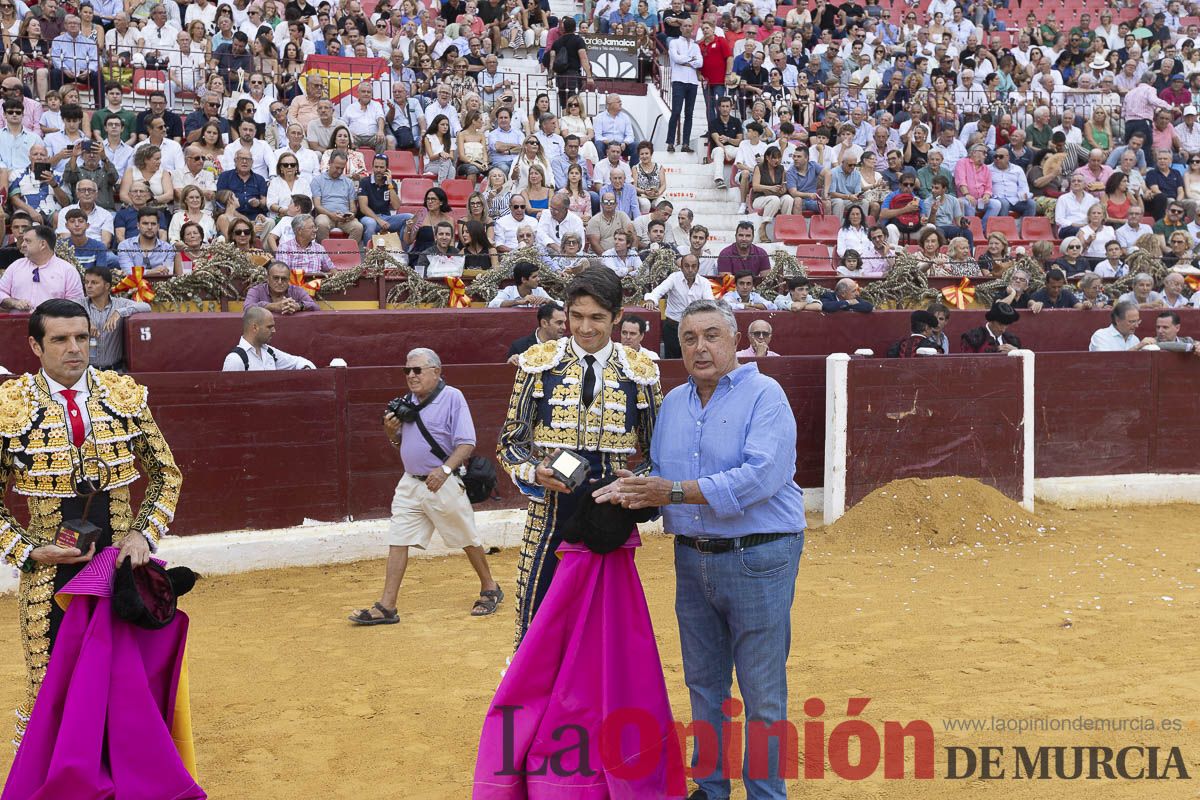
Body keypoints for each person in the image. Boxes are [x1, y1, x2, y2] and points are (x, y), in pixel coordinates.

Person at [594, 297, 806, 800]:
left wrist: (667, 491)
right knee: (704, 686)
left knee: (762, 694)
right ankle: (711, 790)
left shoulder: (765, 395)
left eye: (712, 335)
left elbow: (759, 477)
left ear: (735, 340)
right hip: (692, 557)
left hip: (759, 556)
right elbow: (665, 478)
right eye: (689, 338)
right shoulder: (673, 404)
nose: (701, 347)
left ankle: (765, 795)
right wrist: (634, 487)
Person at [0, 298, 182, 745]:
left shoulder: (122, 394)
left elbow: (166, 474)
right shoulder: (9, 404)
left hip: (119, 570)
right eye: (60, 339)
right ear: (35, 346)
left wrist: (142, 532)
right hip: (48, 575)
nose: (74, 348)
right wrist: (26, 550)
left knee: (123, 687)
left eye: (82, 337)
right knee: (51, 689)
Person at [497, 267, 661, 645]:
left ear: (617, 316)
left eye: (597, 318)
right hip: (549, 516)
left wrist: (636, 488)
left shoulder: (641, 371)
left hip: (610, 517)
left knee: (605, 630)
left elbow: (658, 454)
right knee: (537, 624)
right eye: (576, 316)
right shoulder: (538, 363)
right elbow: (510, 442)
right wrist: (534, 472)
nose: (585, 328)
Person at [350, 347, 503, 624]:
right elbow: (400, 443)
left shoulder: (452, 397)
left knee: (466, 538)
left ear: (436, 371)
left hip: (441, 483)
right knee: (398, 539)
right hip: (410, 482)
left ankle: (490, 587)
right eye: (407, 370)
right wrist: (390, 432)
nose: (411, 375)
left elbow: (467, 443)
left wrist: (444, 470)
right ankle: (387, 606)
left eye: (417, 370)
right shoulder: (406, 402)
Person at [643, 253, 714, 358]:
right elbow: (658, 291)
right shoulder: (674, 278)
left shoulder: (704, 283)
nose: (690, 269)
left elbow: (710, 304)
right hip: (673, 326)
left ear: (698, 268)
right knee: (672, 361)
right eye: (686, 266)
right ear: (681, 267)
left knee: (694, 358)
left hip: (695, 328)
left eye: (694, 266)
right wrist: (650, 300)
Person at [81, 266, 150, 371]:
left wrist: (119, 312)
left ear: (107, 286)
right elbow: (62, 309)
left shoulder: (120, 303)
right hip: (87, 371)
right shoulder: (80, 304)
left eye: (94, 283)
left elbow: (146, 307)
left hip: (115, 371)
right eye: (86, 282)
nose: (88, 286)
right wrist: (84, 320)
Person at [0, 225, 85, 311]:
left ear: (43, 244)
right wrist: (14, 302)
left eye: (27, 241)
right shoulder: (16, 266)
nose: (22, 245)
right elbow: (1, 292)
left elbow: (76, 305)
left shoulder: (68, 271)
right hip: (17, 323)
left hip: (54, 323)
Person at [221, 306, 317, 370]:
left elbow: (298, 362)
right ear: (255, 327)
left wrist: (307, 370)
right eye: (269, 327)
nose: (274, 331)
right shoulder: (235, 360)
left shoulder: (269, 352)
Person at [310, 151, 364, 242]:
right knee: (321, 224)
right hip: (325, 215)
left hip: (344, 217)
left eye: (342, 169)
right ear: (330, 163)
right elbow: (317, 205)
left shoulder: (348, 182)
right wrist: (331, 214)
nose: (339, 171)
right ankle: (324, 254)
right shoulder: (317, 180)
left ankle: (347, 254)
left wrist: (352, 214)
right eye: (337, 167)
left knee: (358, 227)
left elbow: (353, 206)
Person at [359, 154, 413, 243]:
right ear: (372, 167)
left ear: (387, 169)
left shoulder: (391, 184)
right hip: (368, 217)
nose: (378, 170)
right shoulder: (365, 182)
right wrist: (379, 220)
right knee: (371, 224)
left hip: (386, 218)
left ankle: (402, 252)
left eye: (381, 167)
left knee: (409, 218)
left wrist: (389, 184)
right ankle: (368, 254)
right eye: (376, 167)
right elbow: (363, 208)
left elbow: (396, 206)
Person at [666, 17, 702, 152]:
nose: (687, 28)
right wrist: (691, 60)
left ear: (692, 29)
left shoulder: (695, 45)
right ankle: (670, 142)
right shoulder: (674, 42)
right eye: (685, 26)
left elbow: (700, 63)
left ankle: (685, 143)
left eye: (690, 26)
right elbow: (676, 58)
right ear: (681, 28)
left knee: (689, 113)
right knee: (676, 111)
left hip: (692, 81)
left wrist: (685, 61)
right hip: (679, 80)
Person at [117, 208, 180, 277]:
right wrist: (150, 272)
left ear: (158, 227)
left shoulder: (168, 249)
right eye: (145, 223)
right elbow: (128, 272)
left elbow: (167, 273)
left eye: (153, 224)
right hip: (132, 286)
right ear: (138, 226)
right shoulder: (125, 246)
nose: (149, 227)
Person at [244, 260, 320, 314]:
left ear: (289, 280)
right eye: (276, 278)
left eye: (284, 278)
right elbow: (247, 308)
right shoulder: (256, 290)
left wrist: (298, 306)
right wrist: (272, 306)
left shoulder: (297, 291)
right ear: (267, 278)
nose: (280, 282)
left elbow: (316, 307)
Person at [1089, 301, 1156, 351]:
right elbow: (1108, 362)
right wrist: (1137, 347)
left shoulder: (1134, 339)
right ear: (1117, 320)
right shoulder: (1101, 336)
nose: (1136, 326)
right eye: (1132, 321)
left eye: (1137, 321)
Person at [487, 261, 552, 307]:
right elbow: (492, 304)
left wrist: (547, 301)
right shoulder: (509, 291)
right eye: (534, 277)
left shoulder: (539, 291)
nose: (538, 279)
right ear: (523, 279)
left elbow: (560, 305)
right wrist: (518, 301)